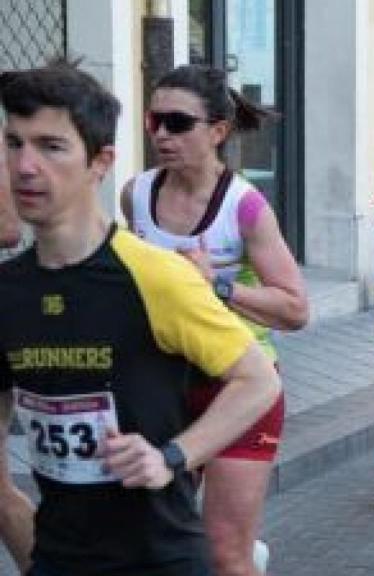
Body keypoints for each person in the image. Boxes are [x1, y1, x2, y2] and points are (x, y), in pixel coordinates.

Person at [0, 61, 281, 576]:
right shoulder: (8, 291)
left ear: (100, 162)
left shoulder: (154, 275)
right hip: (59, 557)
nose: (24, 166)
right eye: (13, 143)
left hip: (158, 558)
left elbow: (259, 381)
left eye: (51, 146)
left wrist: (172, 456)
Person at [120, 64, 309, 576]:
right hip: (162, 385)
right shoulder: (135, 194)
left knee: (225, 552)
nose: (162, 133)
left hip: (241, 386)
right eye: (154, 119)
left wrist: (218, 287)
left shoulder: (244, 206)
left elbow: (295, 309)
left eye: (179, 123)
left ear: (218, 131)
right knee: (156, 544)